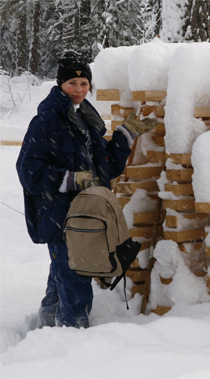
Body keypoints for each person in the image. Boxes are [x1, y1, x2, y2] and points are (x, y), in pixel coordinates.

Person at [16, 50, 156, 328]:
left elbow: (104, 167)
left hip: (83, 215)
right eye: (72, 84)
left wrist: (125, 134)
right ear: (60, 85)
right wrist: (70, 179)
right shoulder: (47, 121)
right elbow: (28, 171)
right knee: (74, 279)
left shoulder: (84, 120)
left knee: (63, 276)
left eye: (84, 84)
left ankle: (45, 332)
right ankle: (72, 338)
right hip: (60, 215)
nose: (79, 90)